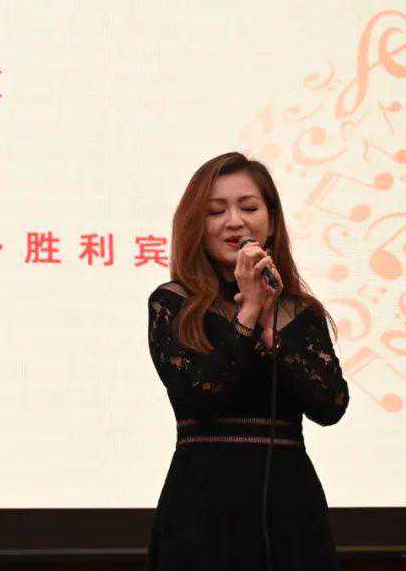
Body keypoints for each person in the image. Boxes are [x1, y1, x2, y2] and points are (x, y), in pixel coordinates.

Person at [144, 152, 349, 570]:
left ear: (271, 222)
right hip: (204, 504)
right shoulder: (173, 303)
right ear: (196, 226)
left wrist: (273, 327)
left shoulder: (300, 312)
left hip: (288, 504)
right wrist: (249, 312)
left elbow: (330, 406)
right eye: (215, 211)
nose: (234, 222)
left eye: (249, 208)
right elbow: (200, 399)